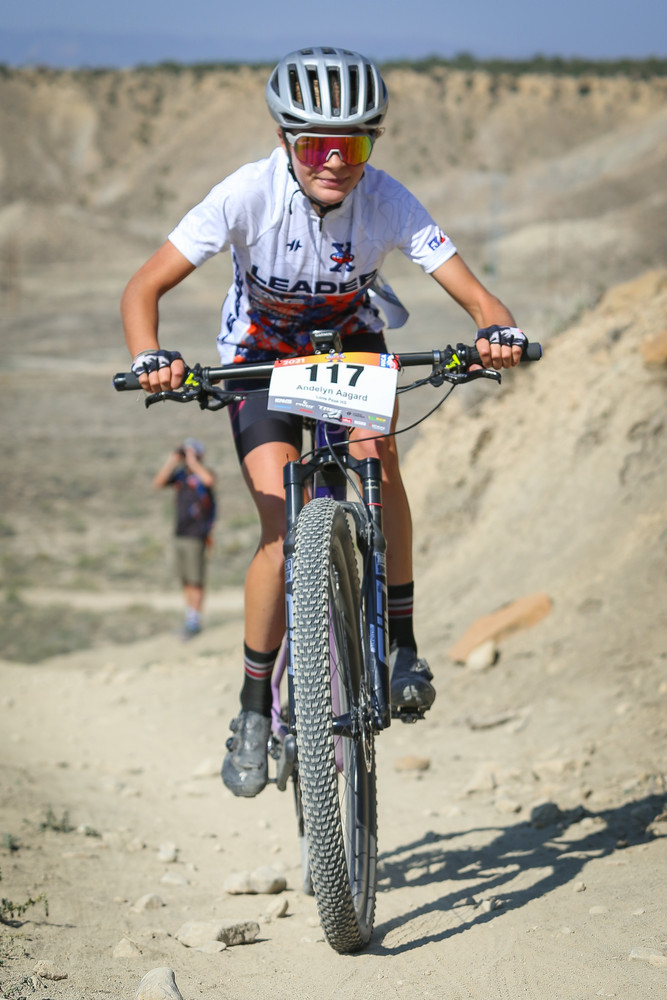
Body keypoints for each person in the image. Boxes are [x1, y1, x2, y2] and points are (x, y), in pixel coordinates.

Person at [121, 46, 527, 797]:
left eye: (353, 146)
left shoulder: (389, 201)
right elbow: (143, 288)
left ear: (372, 145)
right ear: (285, 142)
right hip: (259, 358)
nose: (335, 162)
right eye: (315, 146)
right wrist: (150, 356)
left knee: (378, 457)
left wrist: (495, 333)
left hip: (349, 346)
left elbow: (478, 297)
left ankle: (401, 646)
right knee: (281, 530)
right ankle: (252, 708)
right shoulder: (245, 194)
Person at [153, 438, 216, 638]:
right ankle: (190, 618)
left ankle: (194, 622)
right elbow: (158, 483)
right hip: (180, 534)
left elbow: (209, 480)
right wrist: (172, 460)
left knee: (196, 580)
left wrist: (193, 462)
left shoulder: (203, 474)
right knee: (186, 579)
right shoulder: (180, 476)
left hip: (197, 535)